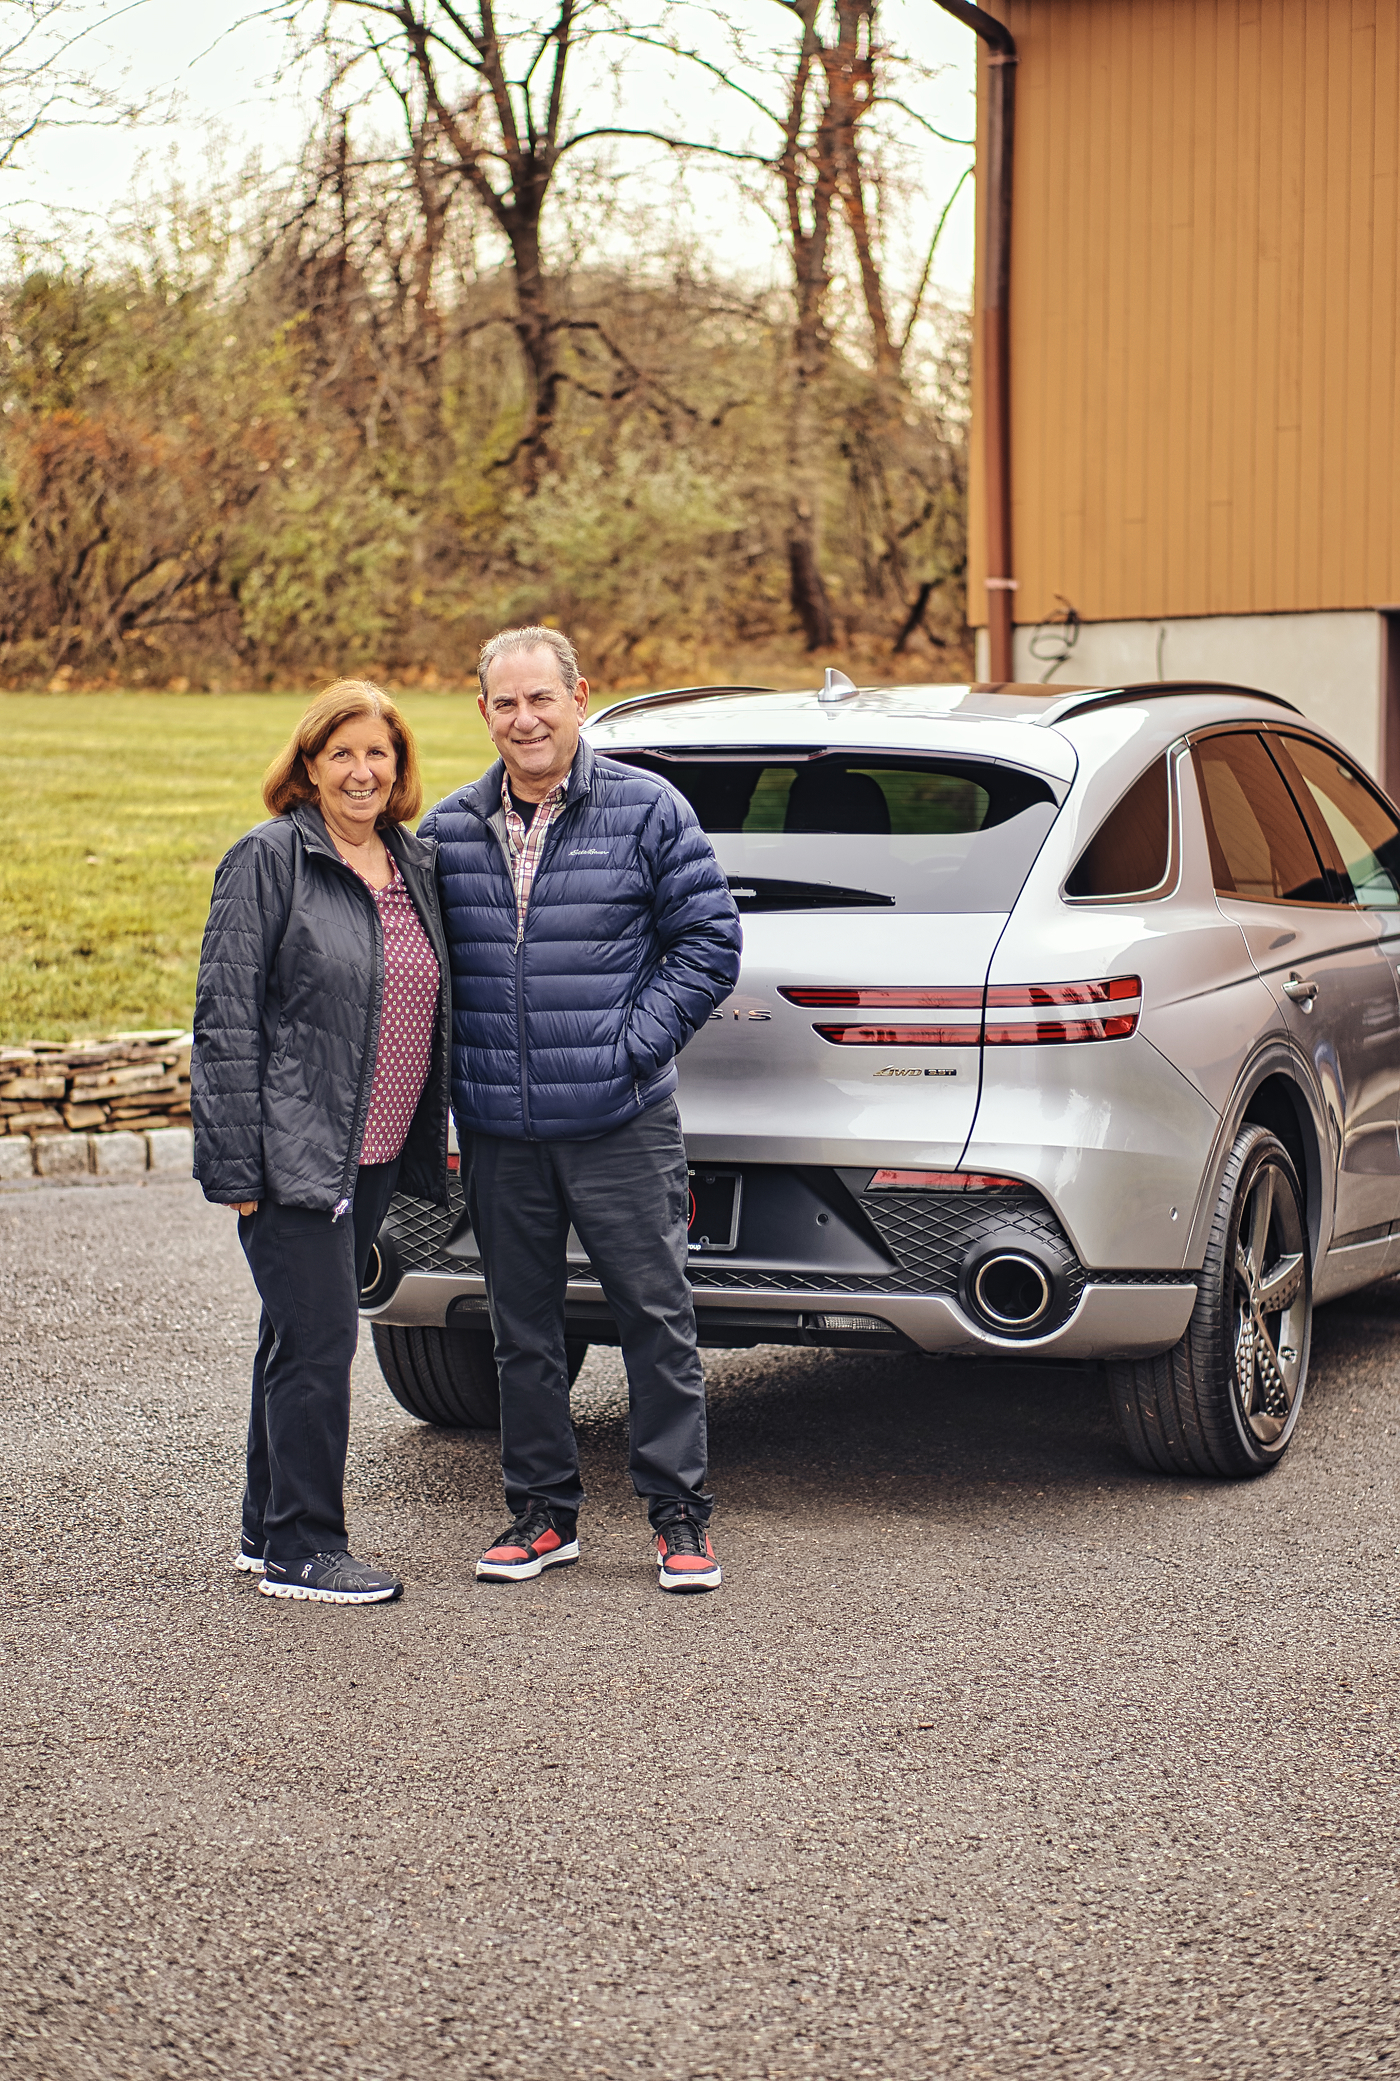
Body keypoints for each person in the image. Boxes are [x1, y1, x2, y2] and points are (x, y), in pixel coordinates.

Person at [421, 626, 743, 1592]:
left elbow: (709, 944)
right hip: (499, 1130)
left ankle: (679, 1515)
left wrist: (628, 1049)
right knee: (522, 1326)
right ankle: (541, 1513)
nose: (525, 719)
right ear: (484, 713)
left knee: (655, 1315)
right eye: (505, 703)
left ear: (579, 698)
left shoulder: (647, 811)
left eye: (542, 700)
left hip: (619, 1121)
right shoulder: (447, 830)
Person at [191, 680, 451, 1606]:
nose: (360, 770)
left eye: (376, 752)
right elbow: (224, 1017)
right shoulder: (269, 860)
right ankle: (308, 1545)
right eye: (340, 752)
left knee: (293, 1335)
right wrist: (232, 1163)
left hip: (373, 1150)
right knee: (321, 1340)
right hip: (291, 1150)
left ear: (399, 765)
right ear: (307, 765)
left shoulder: (411, 862)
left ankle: (267, 1533)